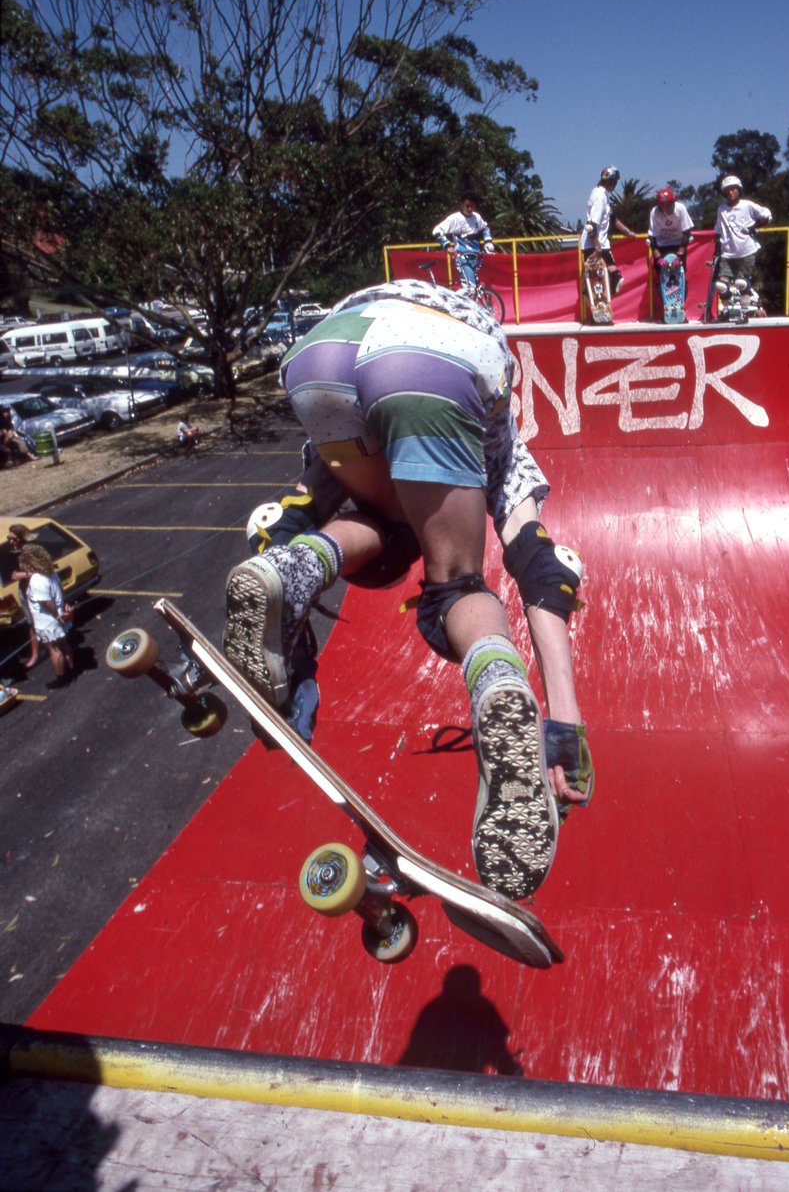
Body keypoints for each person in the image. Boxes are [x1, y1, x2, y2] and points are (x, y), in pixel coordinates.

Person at [224, 277, 592, 902]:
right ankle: (499, 683)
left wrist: (290, 656)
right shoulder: (506, 445)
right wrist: (564, 721)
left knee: (374, 526)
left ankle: (319, 564)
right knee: (454, 585)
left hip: (320, 354)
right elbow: (544, 568)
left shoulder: (337, 446)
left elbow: (290, 521)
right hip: (436, 358)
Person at [18, 543, 75, 681]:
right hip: (58, 616)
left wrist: (57, 615)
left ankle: (62, 678)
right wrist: (63, 606)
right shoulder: (51, 573)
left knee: (54, 649)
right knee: (63, 645)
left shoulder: (37, 579)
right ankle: (72, 670)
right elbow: (60, 591)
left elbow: (47, 602)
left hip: (48, 620)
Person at [713, 174, 772, 304]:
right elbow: (718, 230)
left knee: (741, 282)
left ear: (739, 190)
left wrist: (755, 226)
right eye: (727, 190)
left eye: (733, 189)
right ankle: (727, 310)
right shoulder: (721, 209)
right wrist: (716, 248)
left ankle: (745, 309)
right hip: (727, 252)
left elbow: (767, 215)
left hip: (746, 250)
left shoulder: (747, 205)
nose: (730, 192)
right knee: (721, 285)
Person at [582, 165, 636, 296]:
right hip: (595, 243)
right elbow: (591, 225)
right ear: (612, 181)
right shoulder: (600, 196)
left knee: (599, 278)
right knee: (611, 276)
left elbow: (612, 219)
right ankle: (596, 298)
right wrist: (597, 246)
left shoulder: (602, 194)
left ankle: (594, 298)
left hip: (598, 242)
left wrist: (628, 232)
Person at [432, 195, 496, 291]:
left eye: (472, 206)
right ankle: (453, 304)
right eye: (467, 206)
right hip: (463, 257)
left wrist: (488, 241)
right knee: (470, 288)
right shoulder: (455, 218)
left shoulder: (476, 217)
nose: (470, 209)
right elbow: (437, 230)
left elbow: (485, 227)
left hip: (476, 257)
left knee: (474, 289)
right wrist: (447, 246)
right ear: (461, 205)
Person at [648, 186, 694, 316]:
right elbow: (652, 238)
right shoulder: (655, 212)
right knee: (663, 280)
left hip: (678, 243)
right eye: (662, 205)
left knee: (680, 278)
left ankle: (680, 310)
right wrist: (658, 258)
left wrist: (679, 256)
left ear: (673, 202)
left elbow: (686, 233)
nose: (665, 208)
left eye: (667, 205)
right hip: (662, 245)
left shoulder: (680, 209)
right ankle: (666, 310)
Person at [7, 523, 39, 667]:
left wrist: (26, 574)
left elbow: (39, 569)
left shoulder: (29, 552)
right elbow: (12, 574)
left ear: (21, 538)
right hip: (25, 590)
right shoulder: (13, 553)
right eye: (9, 538)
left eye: (13, 538)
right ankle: (36, 653)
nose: (10, 541)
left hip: (36, 589)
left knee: (44, 619)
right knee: (31, 622)